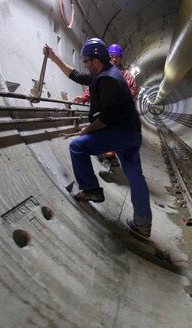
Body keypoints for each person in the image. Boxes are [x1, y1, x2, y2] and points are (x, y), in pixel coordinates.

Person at [43, 38, 152, 237]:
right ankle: (143, 223)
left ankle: (92, 189)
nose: (84, 64)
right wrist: (54, 57)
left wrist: (88, 130)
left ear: (95, 60)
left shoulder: (109, 79)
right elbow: (75, 76)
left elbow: (107, 117)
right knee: (136, 176)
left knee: (78, 146)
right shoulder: (106, 73)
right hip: (132, 134)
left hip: (120, 132)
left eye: (86, 61)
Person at [74, 43, 137, 169]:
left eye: (117, 57)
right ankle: (109, 155)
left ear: (120, 59)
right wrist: (84, 97)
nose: (114, 59)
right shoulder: (101, 71)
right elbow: (93, 87)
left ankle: (109, 156)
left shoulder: (126, 75)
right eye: (112, 56)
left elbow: (132, 91)